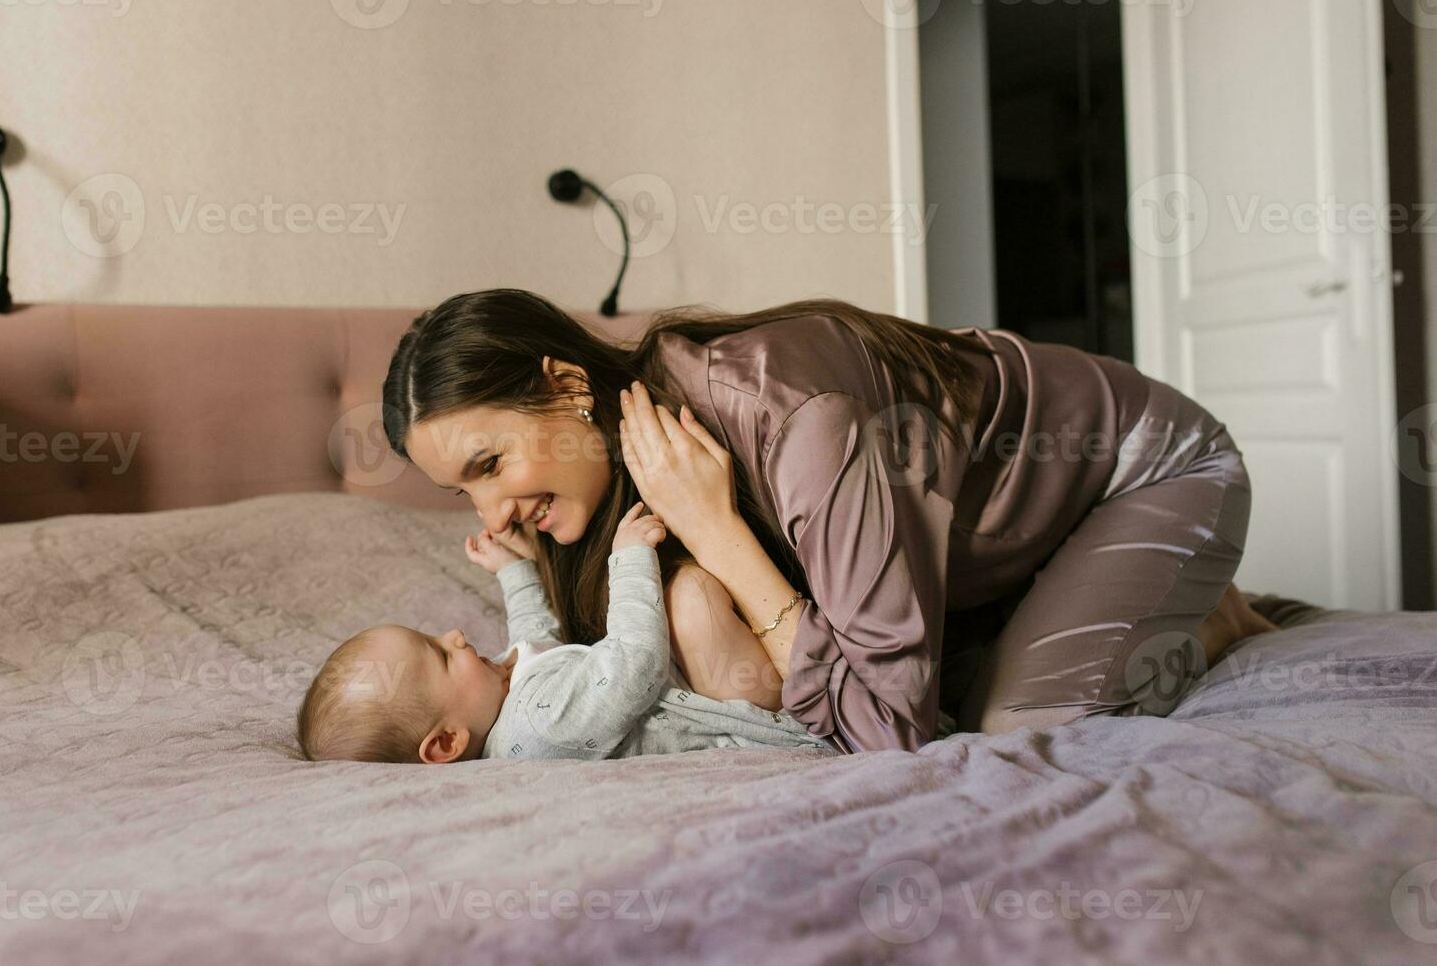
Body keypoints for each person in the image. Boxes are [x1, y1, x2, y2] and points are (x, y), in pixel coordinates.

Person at [382, 288, 1276, 754]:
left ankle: (1209, 617)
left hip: (1144, 471)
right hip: (1003, 546)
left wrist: (721, 533)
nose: (496, 512)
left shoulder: (794, 416)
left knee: (1012, 734)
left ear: (570, 388)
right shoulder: (616, 492)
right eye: (464, 495)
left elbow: (892, 730)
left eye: (490, 465)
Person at [297, 502, 835, 763]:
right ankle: (820, 683)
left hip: (699, 681)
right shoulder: (537, 727)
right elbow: (635, 665)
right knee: (686, 600)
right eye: (440, 656)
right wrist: (628, 561)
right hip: (750, 723)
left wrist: (514, 572)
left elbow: (537, 641)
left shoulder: (505, 701)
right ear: (445, 742)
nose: (456, 635)